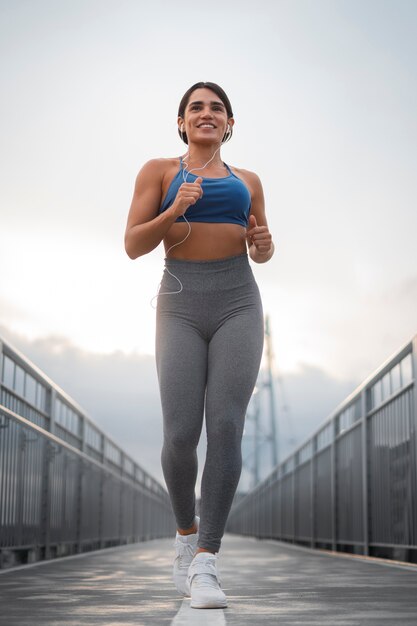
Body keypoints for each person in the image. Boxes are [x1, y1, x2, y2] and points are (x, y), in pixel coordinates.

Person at [124, 82, 274, 609]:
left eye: (216, 108)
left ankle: (207, 561)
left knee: (227, 422)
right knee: (182, 432)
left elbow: (261, 248)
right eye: (196, 108)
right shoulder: (160, 171)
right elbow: (133, 245)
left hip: (238, 300)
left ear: (229, 124)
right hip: (180, 303)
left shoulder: (248, 180)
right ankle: (186, 537)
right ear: (183, 124)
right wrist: (173, 211)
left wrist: (265, 245)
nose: (206, 114)